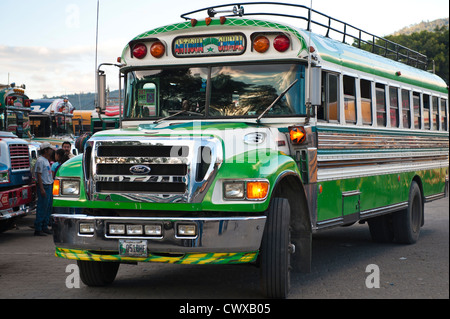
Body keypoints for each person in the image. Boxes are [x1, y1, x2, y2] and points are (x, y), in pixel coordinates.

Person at [34, 142, 55, 236]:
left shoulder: (46, 160)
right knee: (42, 207)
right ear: (46, 150)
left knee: (48, 207)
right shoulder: (40, 161)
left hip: (49, 185)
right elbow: (38, 175)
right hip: (44, 186)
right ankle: (38, 228)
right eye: (50, 149)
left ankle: (44, 226)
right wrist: (41, 189)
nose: (51, 151)